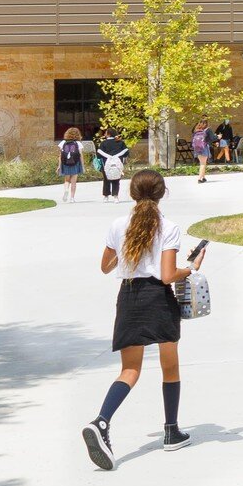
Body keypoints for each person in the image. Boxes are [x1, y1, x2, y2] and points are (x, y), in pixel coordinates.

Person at [84, 169, 205, 469]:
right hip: (157, 300)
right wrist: (191, 267)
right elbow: (166, 276)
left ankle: (101, 422)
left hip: (128, 298)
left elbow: (105, 267)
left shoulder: (118, 225)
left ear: (132, 193)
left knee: (129, 370)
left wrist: (128, 251)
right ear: (162, 193)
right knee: (170, 366)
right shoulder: (169, 227)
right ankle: (171, 432)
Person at [98, 130, 129, 200]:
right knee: (116, 178)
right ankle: (115, 196)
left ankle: (106, 195)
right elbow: (126, 153)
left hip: (106, 163)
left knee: (106, 179)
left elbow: (99, 155)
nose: (105, 134)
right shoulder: (120, 142)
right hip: (117, 163)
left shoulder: (103, 143)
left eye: (105, 133)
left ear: (108, 134)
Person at [57, 128, 85, 202]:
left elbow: (60, 155)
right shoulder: (78, 143)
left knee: (67, 180)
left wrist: (59, 166)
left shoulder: (63, 142)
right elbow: (80, 155)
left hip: (65, 163)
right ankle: (72, 198)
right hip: (75, 163)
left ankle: (66, 189)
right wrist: (82, 165)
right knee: (74, 182)